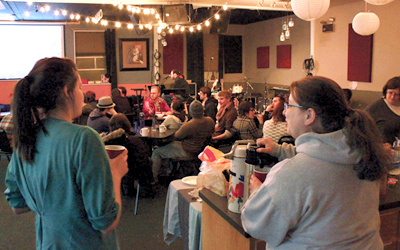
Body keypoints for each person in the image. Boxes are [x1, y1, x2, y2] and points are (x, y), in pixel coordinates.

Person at [241, 76, 390, 249]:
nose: (284, 111)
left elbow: (255, 224)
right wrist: (279, 149)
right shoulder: (365, 154)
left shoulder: (291, 174)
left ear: (309, 115)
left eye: (289, 105)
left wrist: (257, 192)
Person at [4, 57, 128, 249]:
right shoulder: (84, 138)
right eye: (79, 87)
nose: (82, 95)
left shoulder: (25, 140)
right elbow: (106, 222)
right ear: (67, 92)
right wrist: (115, 174)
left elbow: (17, 204)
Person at [151, 100, 214, 184]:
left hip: (187, 151)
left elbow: (176, 136)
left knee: (157, 152)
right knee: (169, 146)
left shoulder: (189, 125)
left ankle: (152, 180)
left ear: (191, 112)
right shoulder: (210, 121)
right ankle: (169, 171)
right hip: (201, 150)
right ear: (203, 110)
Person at [102, 114, 154, 197]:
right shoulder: (133, 140)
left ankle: (128, 188)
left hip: (117, 168)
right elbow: (142, 157)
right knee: (148, 160)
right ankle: (146, 187)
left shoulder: (107, 141)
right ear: (127, 124)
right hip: (137, 168)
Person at [365, 77, 400, 144]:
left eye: (396, 94)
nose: (392, 97)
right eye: (390, 93)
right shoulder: (375, 106)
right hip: (382, 146)